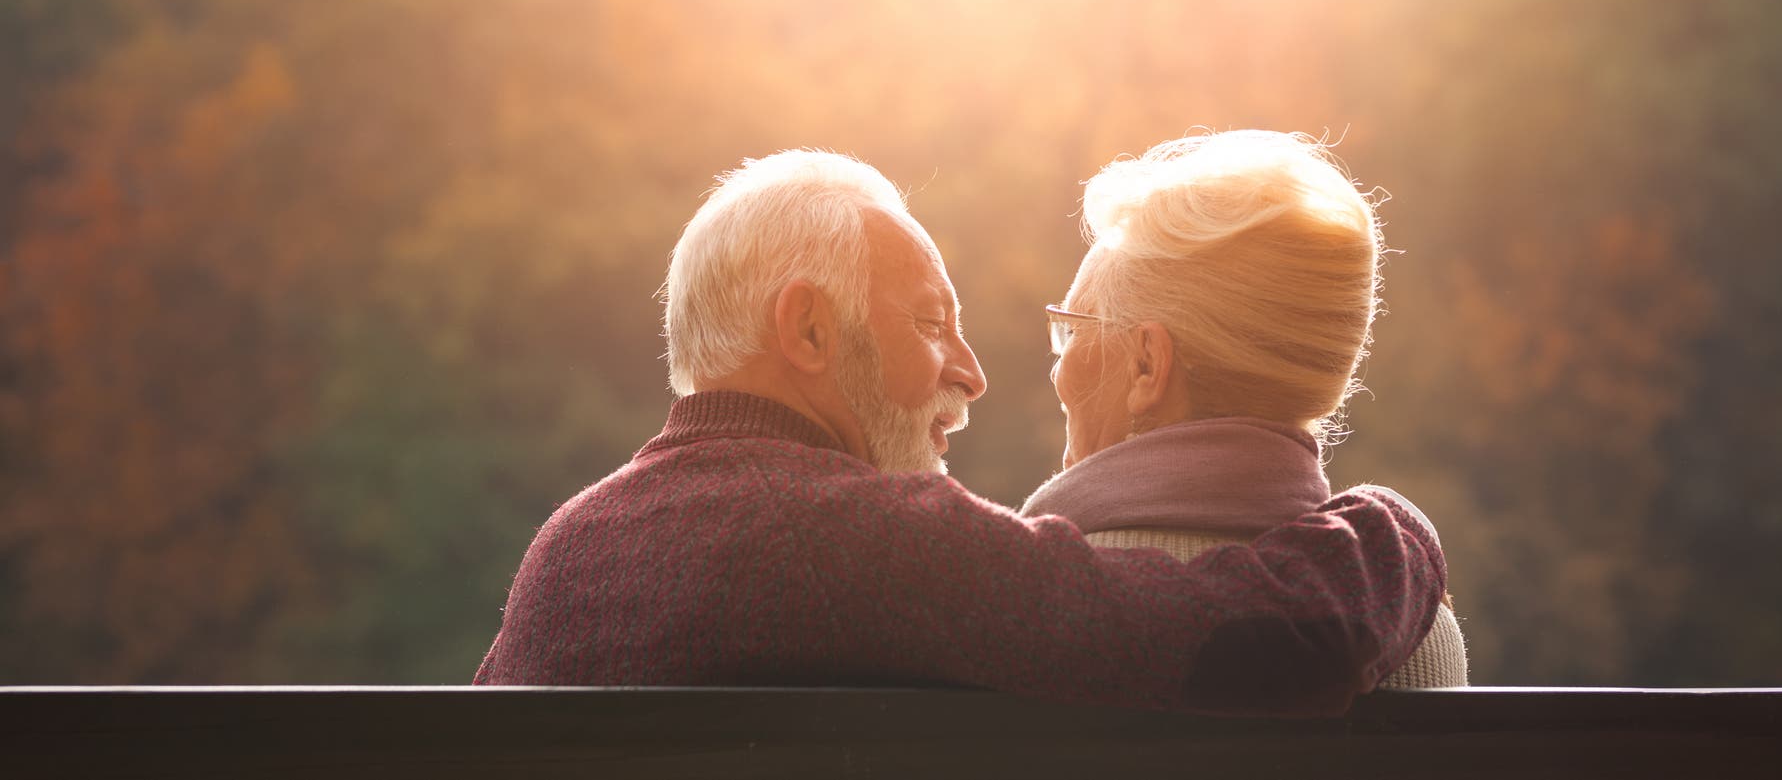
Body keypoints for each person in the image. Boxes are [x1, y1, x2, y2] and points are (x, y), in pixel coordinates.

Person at [473, 150, 1448, 714]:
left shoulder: (564, 550)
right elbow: (1253, 641)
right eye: (931, 322)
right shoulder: (860, 541)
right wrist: (1392, 529)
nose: (972, 371)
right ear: (809, 329)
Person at [1022, 130, 1469, 687]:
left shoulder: (1037, 610)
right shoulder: (1420, 624)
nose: (1057, 370)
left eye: (1072, 329)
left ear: (1146, 366)